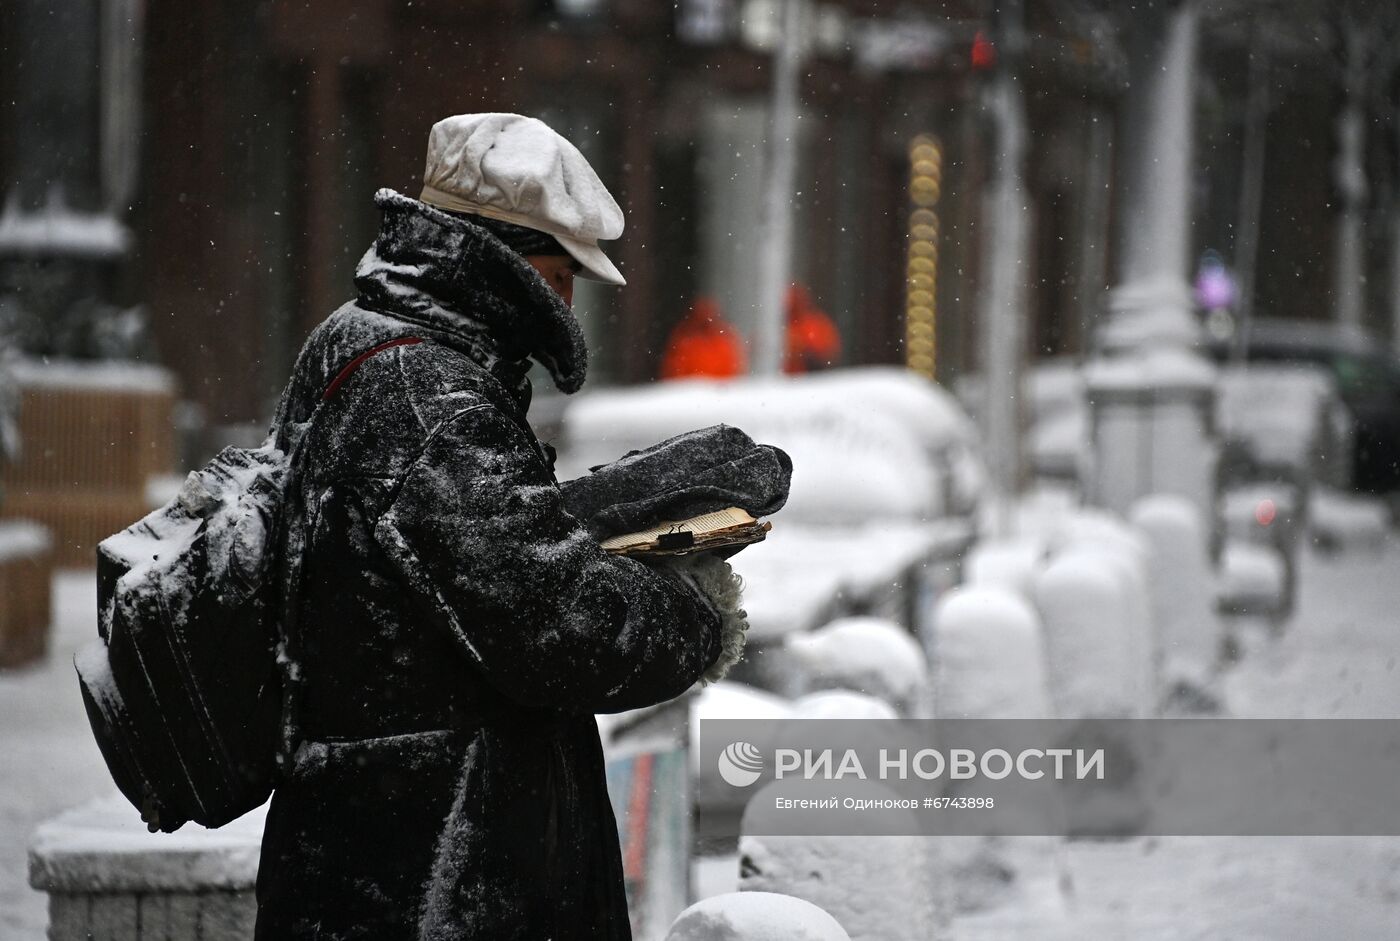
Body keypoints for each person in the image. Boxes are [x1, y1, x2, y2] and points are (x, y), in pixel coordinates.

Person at [254, 113, 750, 940]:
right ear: (506, 265)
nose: (566, 301)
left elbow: (465, 571)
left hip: (384, 858)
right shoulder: (429, 394)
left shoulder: (361, 342)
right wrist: (700, 611)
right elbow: (564, 626)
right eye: (562, 276)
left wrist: (609, 510)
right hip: (432, 878)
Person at [659, 296, 746, 379]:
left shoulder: (725, 340)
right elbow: (674, 372)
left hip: (719, 391)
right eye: (703, 316)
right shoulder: (685, 340)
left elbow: (734, 370)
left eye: (710, 315)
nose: (707, 320)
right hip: (692, 391)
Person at [784, 282, 842, 373]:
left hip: (808, 379)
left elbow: (827, 356)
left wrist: (802, 350)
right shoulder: (783, 327)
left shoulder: (815, 324)